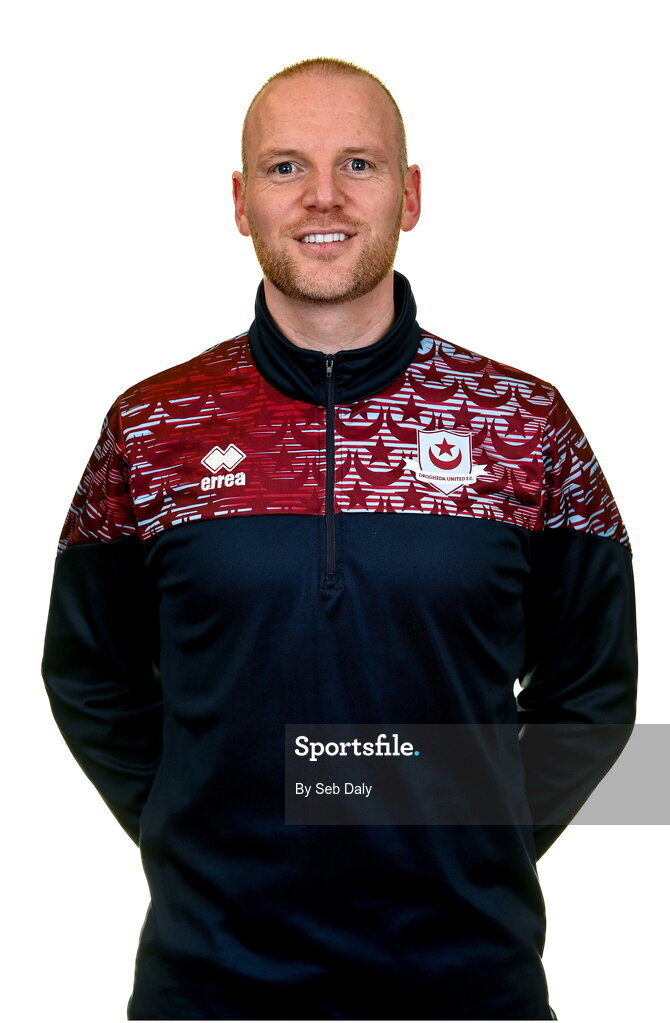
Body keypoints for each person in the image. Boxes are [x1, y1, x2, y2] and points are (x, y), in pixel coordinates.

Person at [41, 56, 637, 1021]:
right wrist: (187, 825)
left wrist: (480, 836)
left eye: (358, 163)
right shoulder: (154, 426)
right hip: (209, 986)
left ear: (410, 193)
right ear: (241, 201)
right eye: (285, 167)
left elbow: (596, 690)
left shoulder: (524, 423)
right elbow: (86, 676)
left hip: (467, 984)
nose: (323, 195)